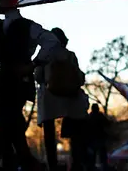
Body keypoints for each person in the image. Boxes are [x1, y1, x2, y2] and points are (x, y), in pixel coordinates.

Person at [0, 0, 62, 171]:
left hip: (18, 79)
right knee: (11, 126)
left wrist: (34, 64)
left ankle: (9, 161)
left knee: (6, 124)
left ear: (9, 0)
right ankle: (23, 162)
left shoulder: (28, 26)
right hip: (3, 79)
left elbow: (52, 41)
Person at [34, 27, 89, 171]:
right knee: (74, 132)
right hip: (70, 96)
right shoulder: (70, 55)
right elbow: (79, 76)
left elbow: (38, 76)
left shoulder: (45, 55)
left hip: (49, 96)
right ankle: (76, 162)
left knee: (49, 132)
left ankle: (52, 164)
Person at [85, 104, 110, 171]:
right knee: (103, 155)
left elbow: (86, 129)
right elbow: (107, 123)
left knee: (92, 155)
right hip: (100, 137)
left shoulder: (89, 116)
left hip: (92, 139)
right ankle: (104, 167)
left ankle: (92, 167)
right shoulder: (100, 115)